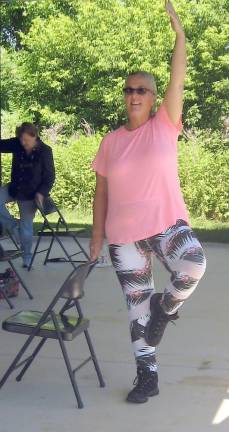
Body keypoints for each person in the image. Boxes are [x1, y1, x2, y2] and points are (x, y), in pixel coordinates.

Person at [90, 1, 207, 404]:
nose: (134, 94)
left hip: (165, 224)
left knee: (193, 264)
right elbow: (101, 190)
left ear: (154, 97)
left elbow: (179, 75)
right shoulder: (111, 140)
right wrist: (95, 236)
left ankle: (166, 305)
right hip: (124, 237)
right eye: (129, 89)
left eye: (142, 89)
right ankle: (147, 376)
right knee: (136, 310)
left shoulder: (164, 124)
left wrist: (180, 36)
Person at [0, 122, 55, 268]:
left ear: (34, 136)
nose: (23, 143)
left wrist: (41, 193)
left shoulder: (45, 151)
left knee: (26, 226)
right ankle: (12, 227)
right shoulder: (17, 144)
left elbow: (50, 176)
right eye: (21, 140)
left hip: (31, 194)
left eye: (26, 140)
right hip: (14, 188)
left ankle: (27, 256)